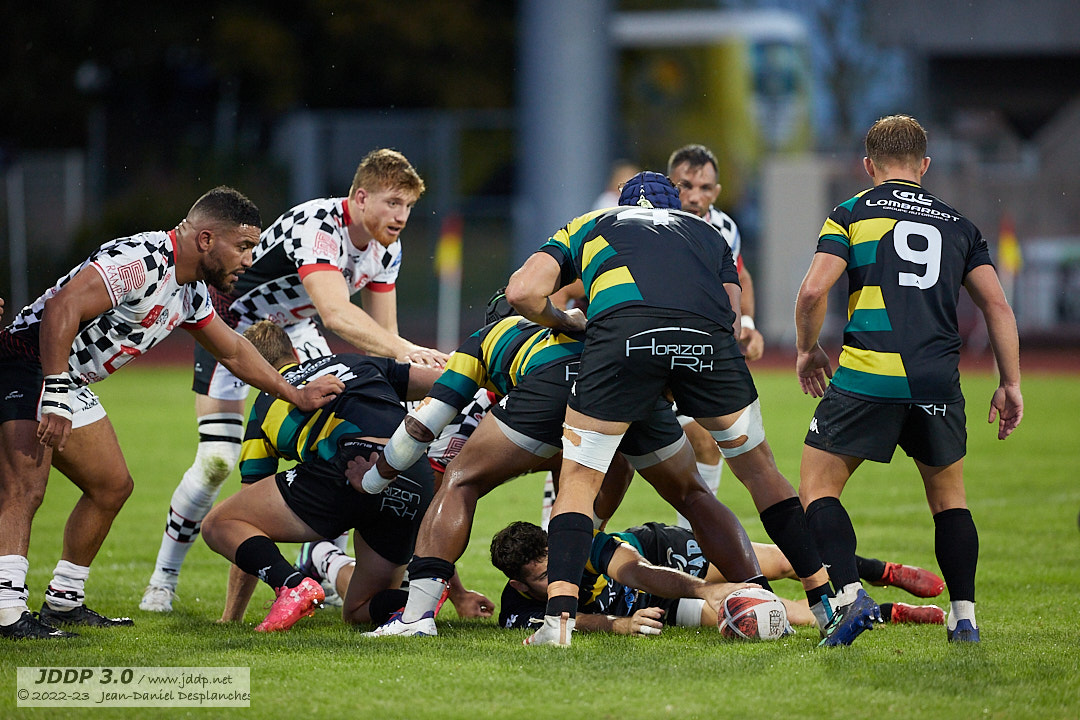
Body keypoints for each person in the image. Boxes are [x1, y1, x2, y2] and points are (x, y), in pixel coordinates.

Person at [504, 171, 852, 647]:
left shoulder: (591, 222)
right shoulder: (707, 232)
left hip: (623, 340)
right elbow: (731, 317)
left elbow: (521, 292)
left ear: (622, 202)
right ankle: (825, 602)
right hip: (705, 344)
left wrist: (564, 320)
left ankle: (558, 622)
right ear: (676, 205)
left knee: (580, 480)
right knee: (760, 473)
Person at [0, 187, 343, 640]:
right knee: (25, 486)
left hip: (63, 376)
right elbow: (62, 307)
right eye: (242, 246)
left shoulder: (190, 291)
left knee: (111, 486)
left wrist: (293, 393)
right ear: (205, 239)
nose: (248, 260)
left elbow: (234, 351)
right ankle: (7, 611)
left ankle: (64, 600)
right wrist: (57, 387)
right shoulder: (142, 258)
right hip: (26, 364)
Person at [358, 295, 771, 638]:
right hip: (624, 382)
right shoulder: (575, 323)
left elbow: (423, 424)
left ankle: (417, 617)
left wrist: (374, 480)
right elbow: (620, 453)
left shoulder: (485, 340)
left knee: (461, 480)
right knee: (691, 492)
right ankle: (756, 595)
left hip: (547, 390)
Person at [142, 148, 448, 612]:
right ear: (360, 198)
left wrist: (402, 386)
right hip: (233, 325)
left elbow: (381, 337)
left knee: (338, 442)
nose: (401, 216)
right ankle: (163, 579)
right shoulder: (319, 224)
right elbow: (337, 314)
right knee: (217, 461)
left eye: (407, 205)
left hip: (296, 333)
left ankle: (322, 565)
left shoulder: (387, 248)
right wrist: (406, 350)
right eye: (392, 202)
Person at [795, 115, 1023, 645]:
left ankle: (850, 597)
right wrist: (1010, 383)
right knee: (950, 500)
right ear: (924, 165)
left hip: (868, 375)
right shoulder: (959, 225)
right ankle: (963, 618)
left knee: (818, 487)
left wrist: (807, 350)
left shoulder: (851, 212)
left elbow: (812, 292)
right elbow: (997, 306)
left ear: (868, 165)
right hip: (936, 381)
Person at [491, 521, 946, 635]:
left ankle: (881, 572)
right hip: (661, 610)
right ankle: (888, 613)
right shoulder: (515, 609)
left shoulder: (581, 544)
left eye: (558, 564)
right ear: (519, 585)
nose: (561, 577)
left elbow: (641, 572)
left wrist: (707, 587)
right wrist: (619, 625)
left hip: (661, 554)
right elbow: (567, 622)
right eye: (545, 577)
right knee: (770, 613)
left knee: (786, 562)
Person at [667, 144, 764, 527]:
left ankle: (689, 542)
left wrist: (748, 324)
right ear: (669, 184)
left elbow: (740, 276)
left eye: (705, 188)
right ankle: (563, 539)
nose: (695, 196)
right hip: (641, 351)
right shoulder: (648, 221)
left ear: (717, 191)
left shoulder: (725, 228)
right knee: (602, 454)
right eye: (685, 185)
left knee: (708, 444)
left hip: (691, 356)